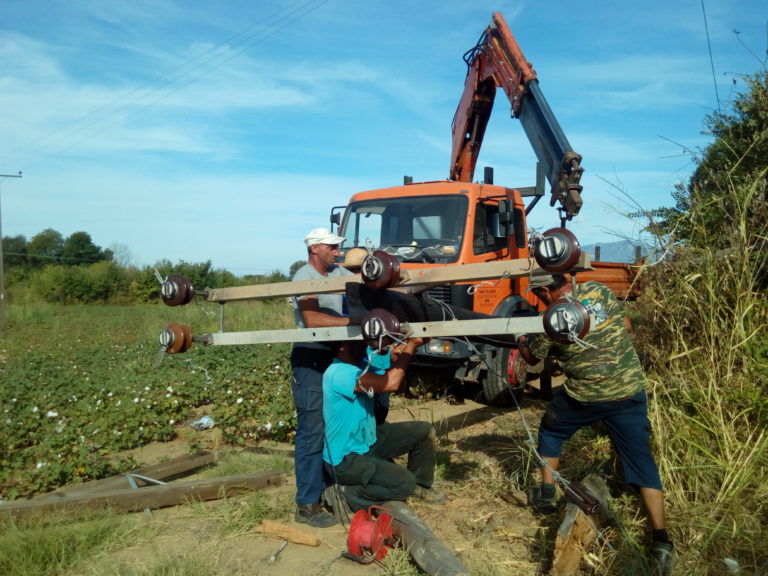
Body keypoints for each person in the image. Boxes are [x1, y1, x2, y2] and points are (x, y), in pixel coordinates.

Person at [518, 274, 676, 575]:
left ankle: (547, 494)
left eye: (538, 294)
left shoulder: (549, 319)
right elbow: (626, 326)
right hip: (628, 392)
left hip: (585, 397)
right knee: (641, 459)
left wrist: (524, 341)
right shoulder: (599, 290)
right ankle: (662, 539)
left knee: (552, 430)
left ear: (542, 291)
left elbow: (533, 358)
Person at [322, 337, 447, 513]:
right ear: (343, 346)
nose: (365, 345)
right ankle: (347, 494)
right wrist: (410, 347)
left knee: (423, 431)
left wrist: (397, 359)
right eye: (359, 342)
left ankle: (421, 486)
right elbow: (391, 383)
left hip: (367, 442)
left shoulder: (359, 368)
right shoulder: (338, 372)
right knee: (404, 483)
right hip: (345, 460)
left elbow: (398, 385)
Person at [290, 227, 357, 528]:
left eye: (337, 247)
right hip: (311, 356)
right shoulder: (304, 278)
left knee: (342, 421)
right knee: (312, 427)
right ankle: (307, 504)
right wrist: (352, 321)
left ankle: (335, 486)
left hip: (337, 354)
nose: (337, 251)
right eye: (331, 247)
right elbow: (312, 319)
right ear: (314, 248)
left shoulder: (338, 272)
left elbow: (361, 281)